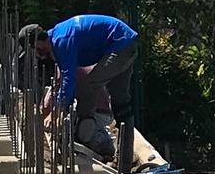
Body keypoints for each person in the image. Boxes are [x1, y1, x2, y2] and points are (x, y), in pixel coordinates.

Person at [18, 14, 139, 163]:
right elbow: (64, 81)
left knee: (89, 86)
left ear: (39, 41)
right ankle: (124, 161)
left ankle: (85, 132)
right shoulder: (58, 38)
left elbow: (69, 79)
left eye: (35, 50)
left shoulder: (61, 40)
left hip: (120, 44)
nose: (38, 56)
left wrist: (56, 112)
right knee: (121, 105)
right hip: (124, 42)